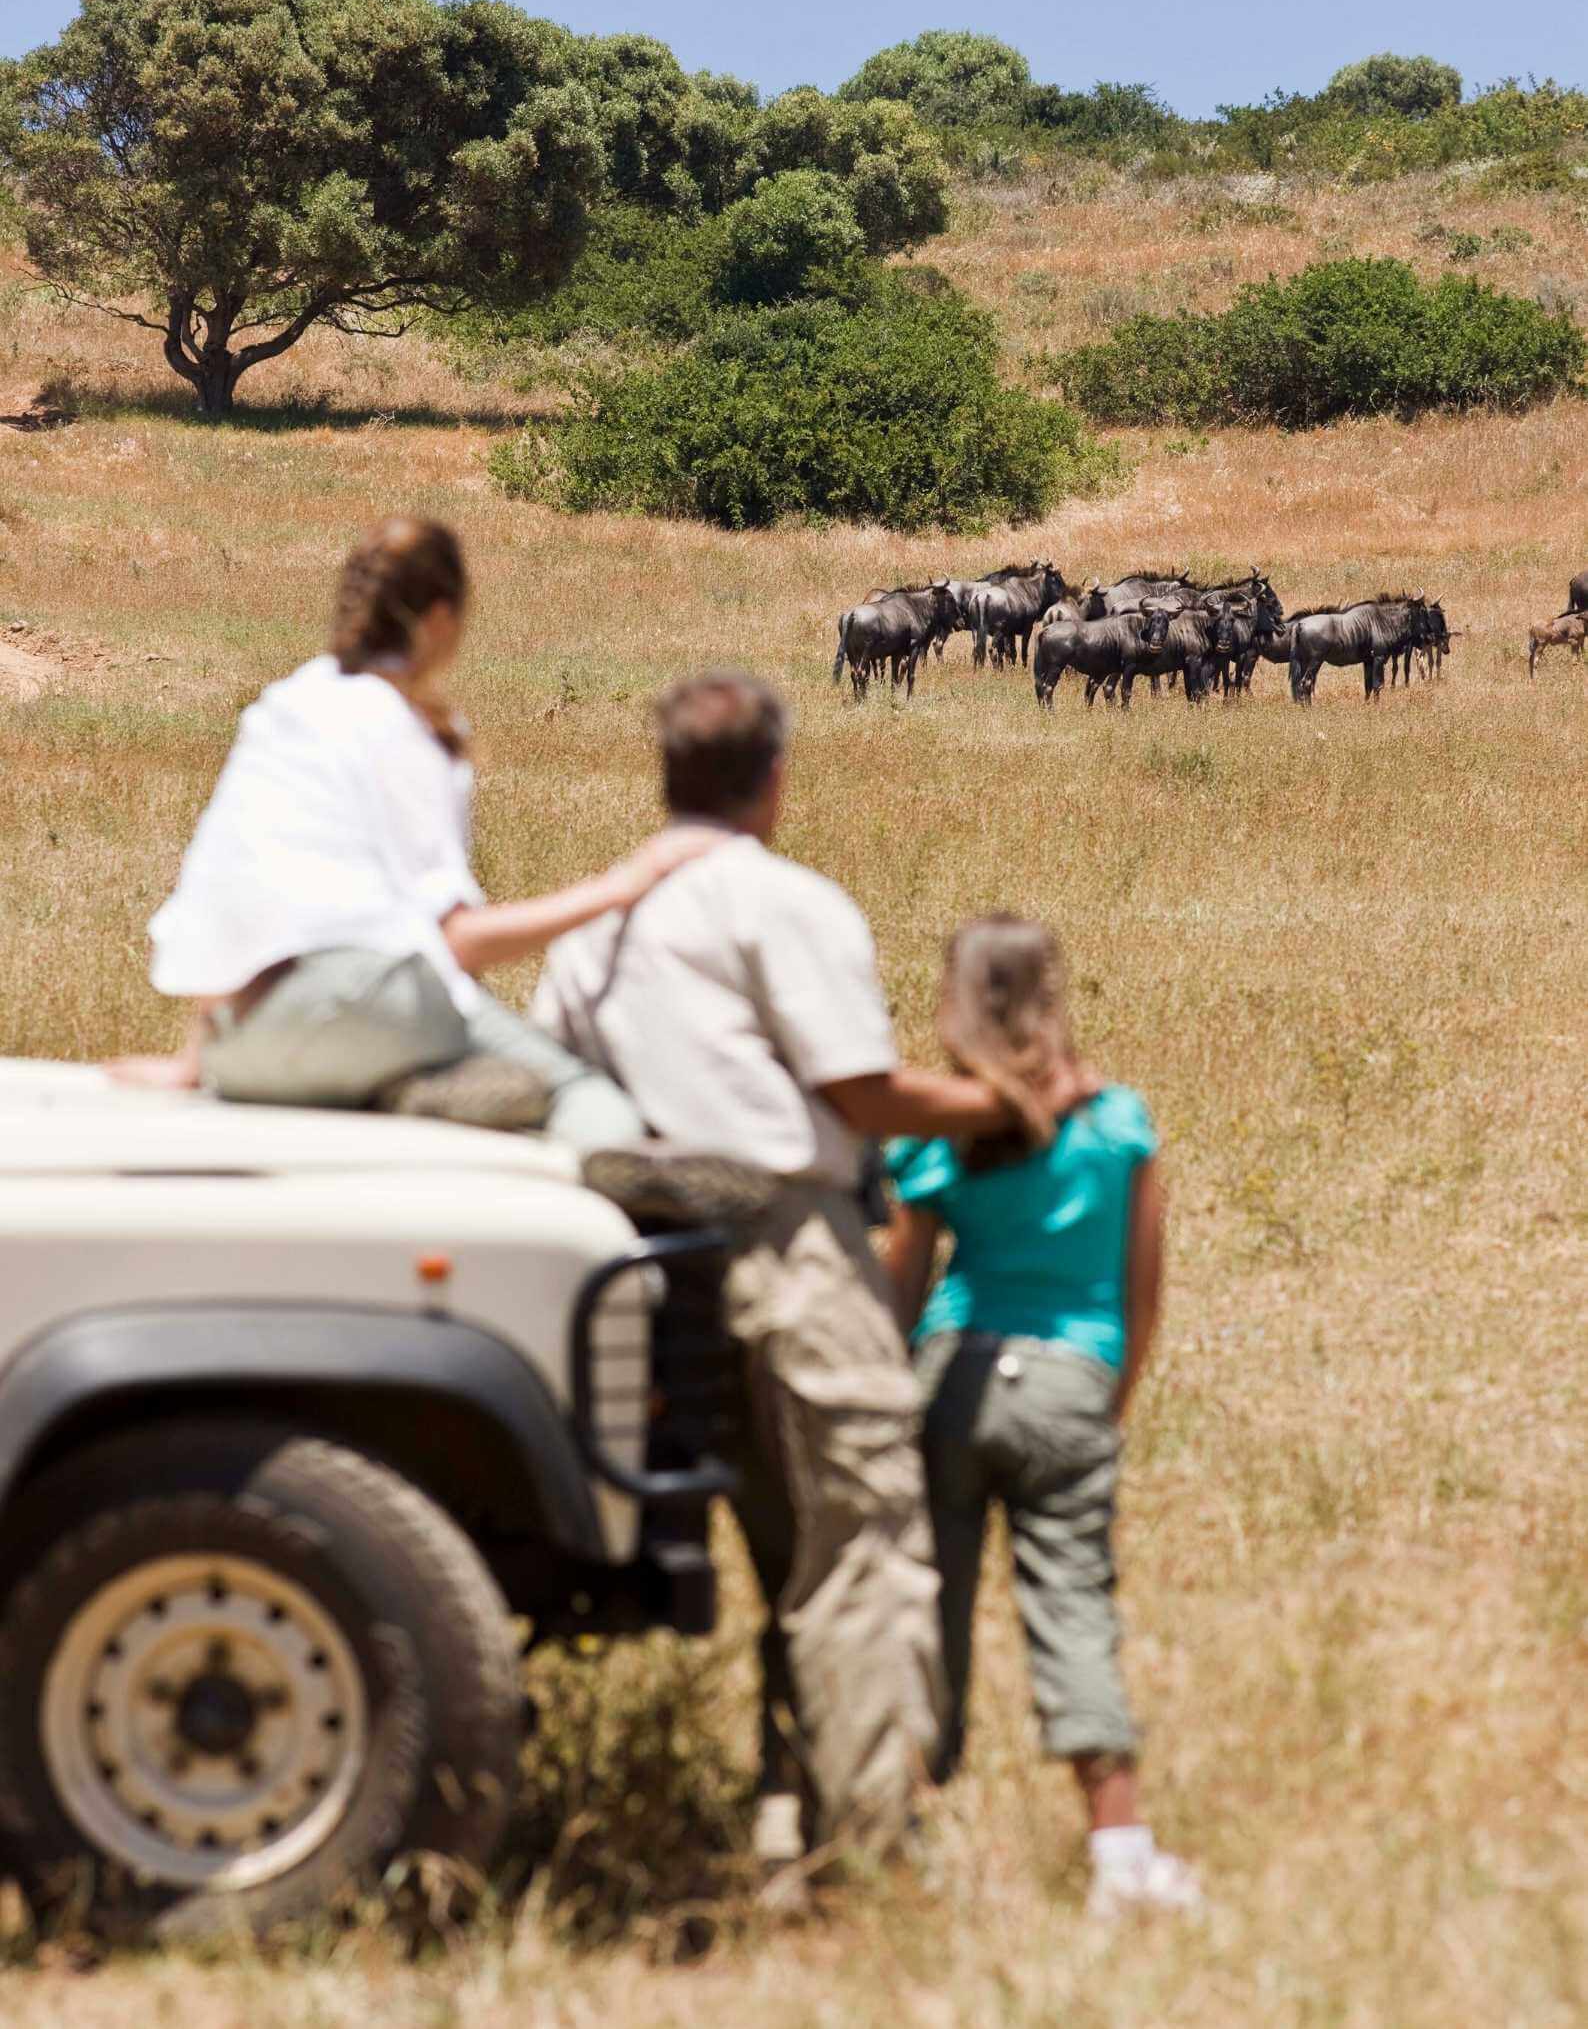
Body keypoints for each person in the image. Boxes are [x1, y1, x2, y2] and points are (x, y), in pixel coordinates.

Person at [530, 672, 1099, 1869]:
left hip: (637, 1259)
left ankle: (782, 1801)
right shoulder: (784, 901)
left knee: (764, 1539)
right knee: (856, 1536)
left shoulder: (592, 928)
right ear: (774, 777)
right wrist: (1013, 1101)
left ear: (665, 776)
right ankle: (869, 1834)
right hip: (786, 1242)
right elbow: (862, 1093)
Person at [114, 517, 716, 1145]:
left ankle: (402, 1082)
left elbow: (225, 888)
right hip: (363, 1012)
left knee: (427, 1035)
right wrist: (630, 881)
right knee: (579, 1090)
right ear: (436, 619)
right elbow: (457, 941)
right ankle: (596, 1167)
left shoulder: (284, 705)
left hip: (238, 1047)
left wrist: (194, 1064)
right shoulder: (408, 729)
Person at [879, 917, 1201, 1921]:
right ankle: (1118, 1850)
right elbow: (1142, 1290)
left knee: (927, 1611)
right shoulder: (1118, 1125)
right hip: (1069, 1378)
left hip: (953, 1376)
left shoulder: (941, 1137)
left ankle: (905, 1837)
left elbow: (900, 1287)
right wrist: (1110, 1397)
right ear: (1057, 997)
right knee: (1072, 1606)